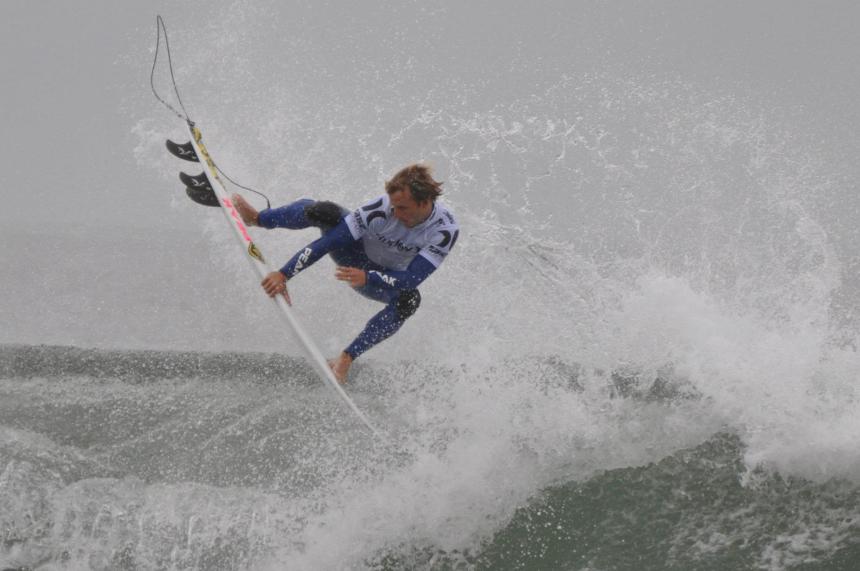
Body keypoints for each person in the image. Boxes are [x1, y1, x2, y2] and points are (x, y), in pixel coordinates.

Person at [231, 164, 459, 383]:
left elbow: (411, 279)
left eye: (403, 208)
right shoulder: (381, 208)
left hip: (379, 280)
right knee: (324, 211)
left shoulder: (444, 230)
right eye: (393, 206)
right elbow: (329, 242)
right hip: (351, 256)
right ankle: (258, 219)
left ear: (424, 202)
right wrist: (284, 274)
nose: (395, 213)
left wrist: (368, 277)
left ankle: (346, 359)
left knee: (409, 300)